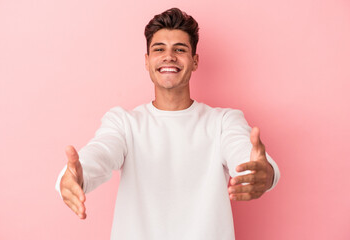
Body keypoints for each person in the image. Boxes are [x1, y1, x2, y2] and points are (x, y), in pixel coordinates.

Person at [55, 7, 280, 240]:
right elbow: (100, 151)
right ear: (147, 61)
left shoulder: (223, 121)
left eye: (179, 49)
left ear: (194, 61)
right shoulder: (124, 123)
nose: (169, 56)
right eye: (159, 49)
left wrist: (263, 173)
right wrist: (75, 176)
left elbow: (245, 155)